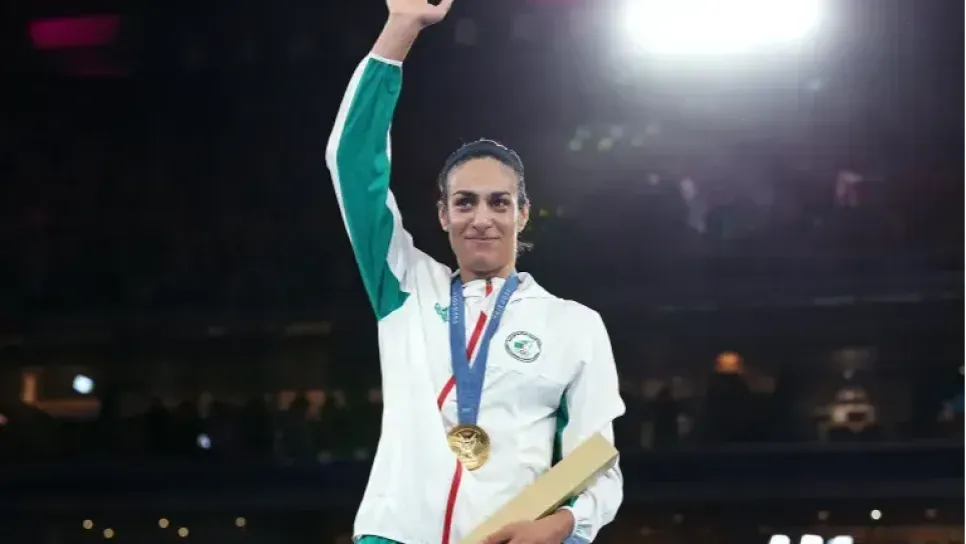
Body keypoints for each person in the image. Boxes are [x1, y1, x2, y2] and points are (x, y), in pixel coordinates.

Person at [325, 1, 625, 542]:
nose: (481, 218)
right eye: (464, 202)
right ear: (443, 215)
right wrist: (400, 28)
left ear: (522, 214)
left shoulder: (575, 326)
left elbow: (597, 463)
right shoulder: (404, 286)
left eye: (498, 202)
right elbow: (351, 161)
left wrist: (561, 526)